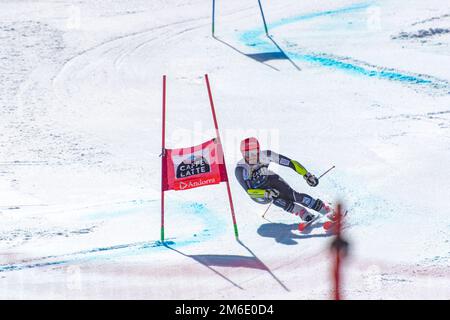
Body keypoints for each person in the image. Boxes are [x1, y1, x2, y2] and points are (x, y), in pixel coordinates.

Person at [234, 137, 335, 222]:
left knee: (293, 195)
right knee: (276, 198)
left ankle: (323, 208)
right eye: (247, 155)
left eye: (254, 153)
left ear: (258, 150)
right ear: (243, 154)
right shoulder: (241, 169)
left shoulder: (267, 155)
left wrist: (307, 175)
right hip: (258, 194)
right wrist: (266, 193)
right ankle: (300, 211)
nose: (251, 157)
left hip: (268, 177)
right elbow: (250, 192)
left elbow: (290, 163)